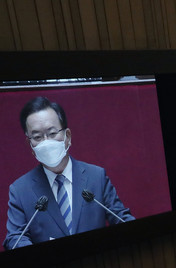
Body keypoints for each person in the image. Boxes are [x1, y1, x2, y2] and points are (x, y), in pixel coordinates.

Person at [5, 96, 134, 250]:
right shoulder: (20, 190)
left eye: (52, 133)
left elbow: (121, 219)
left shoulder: (96, 177)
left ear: (67, 137)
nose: (46, 142)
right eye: (37, 137)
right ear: (30, 145)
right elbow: (15, 238)